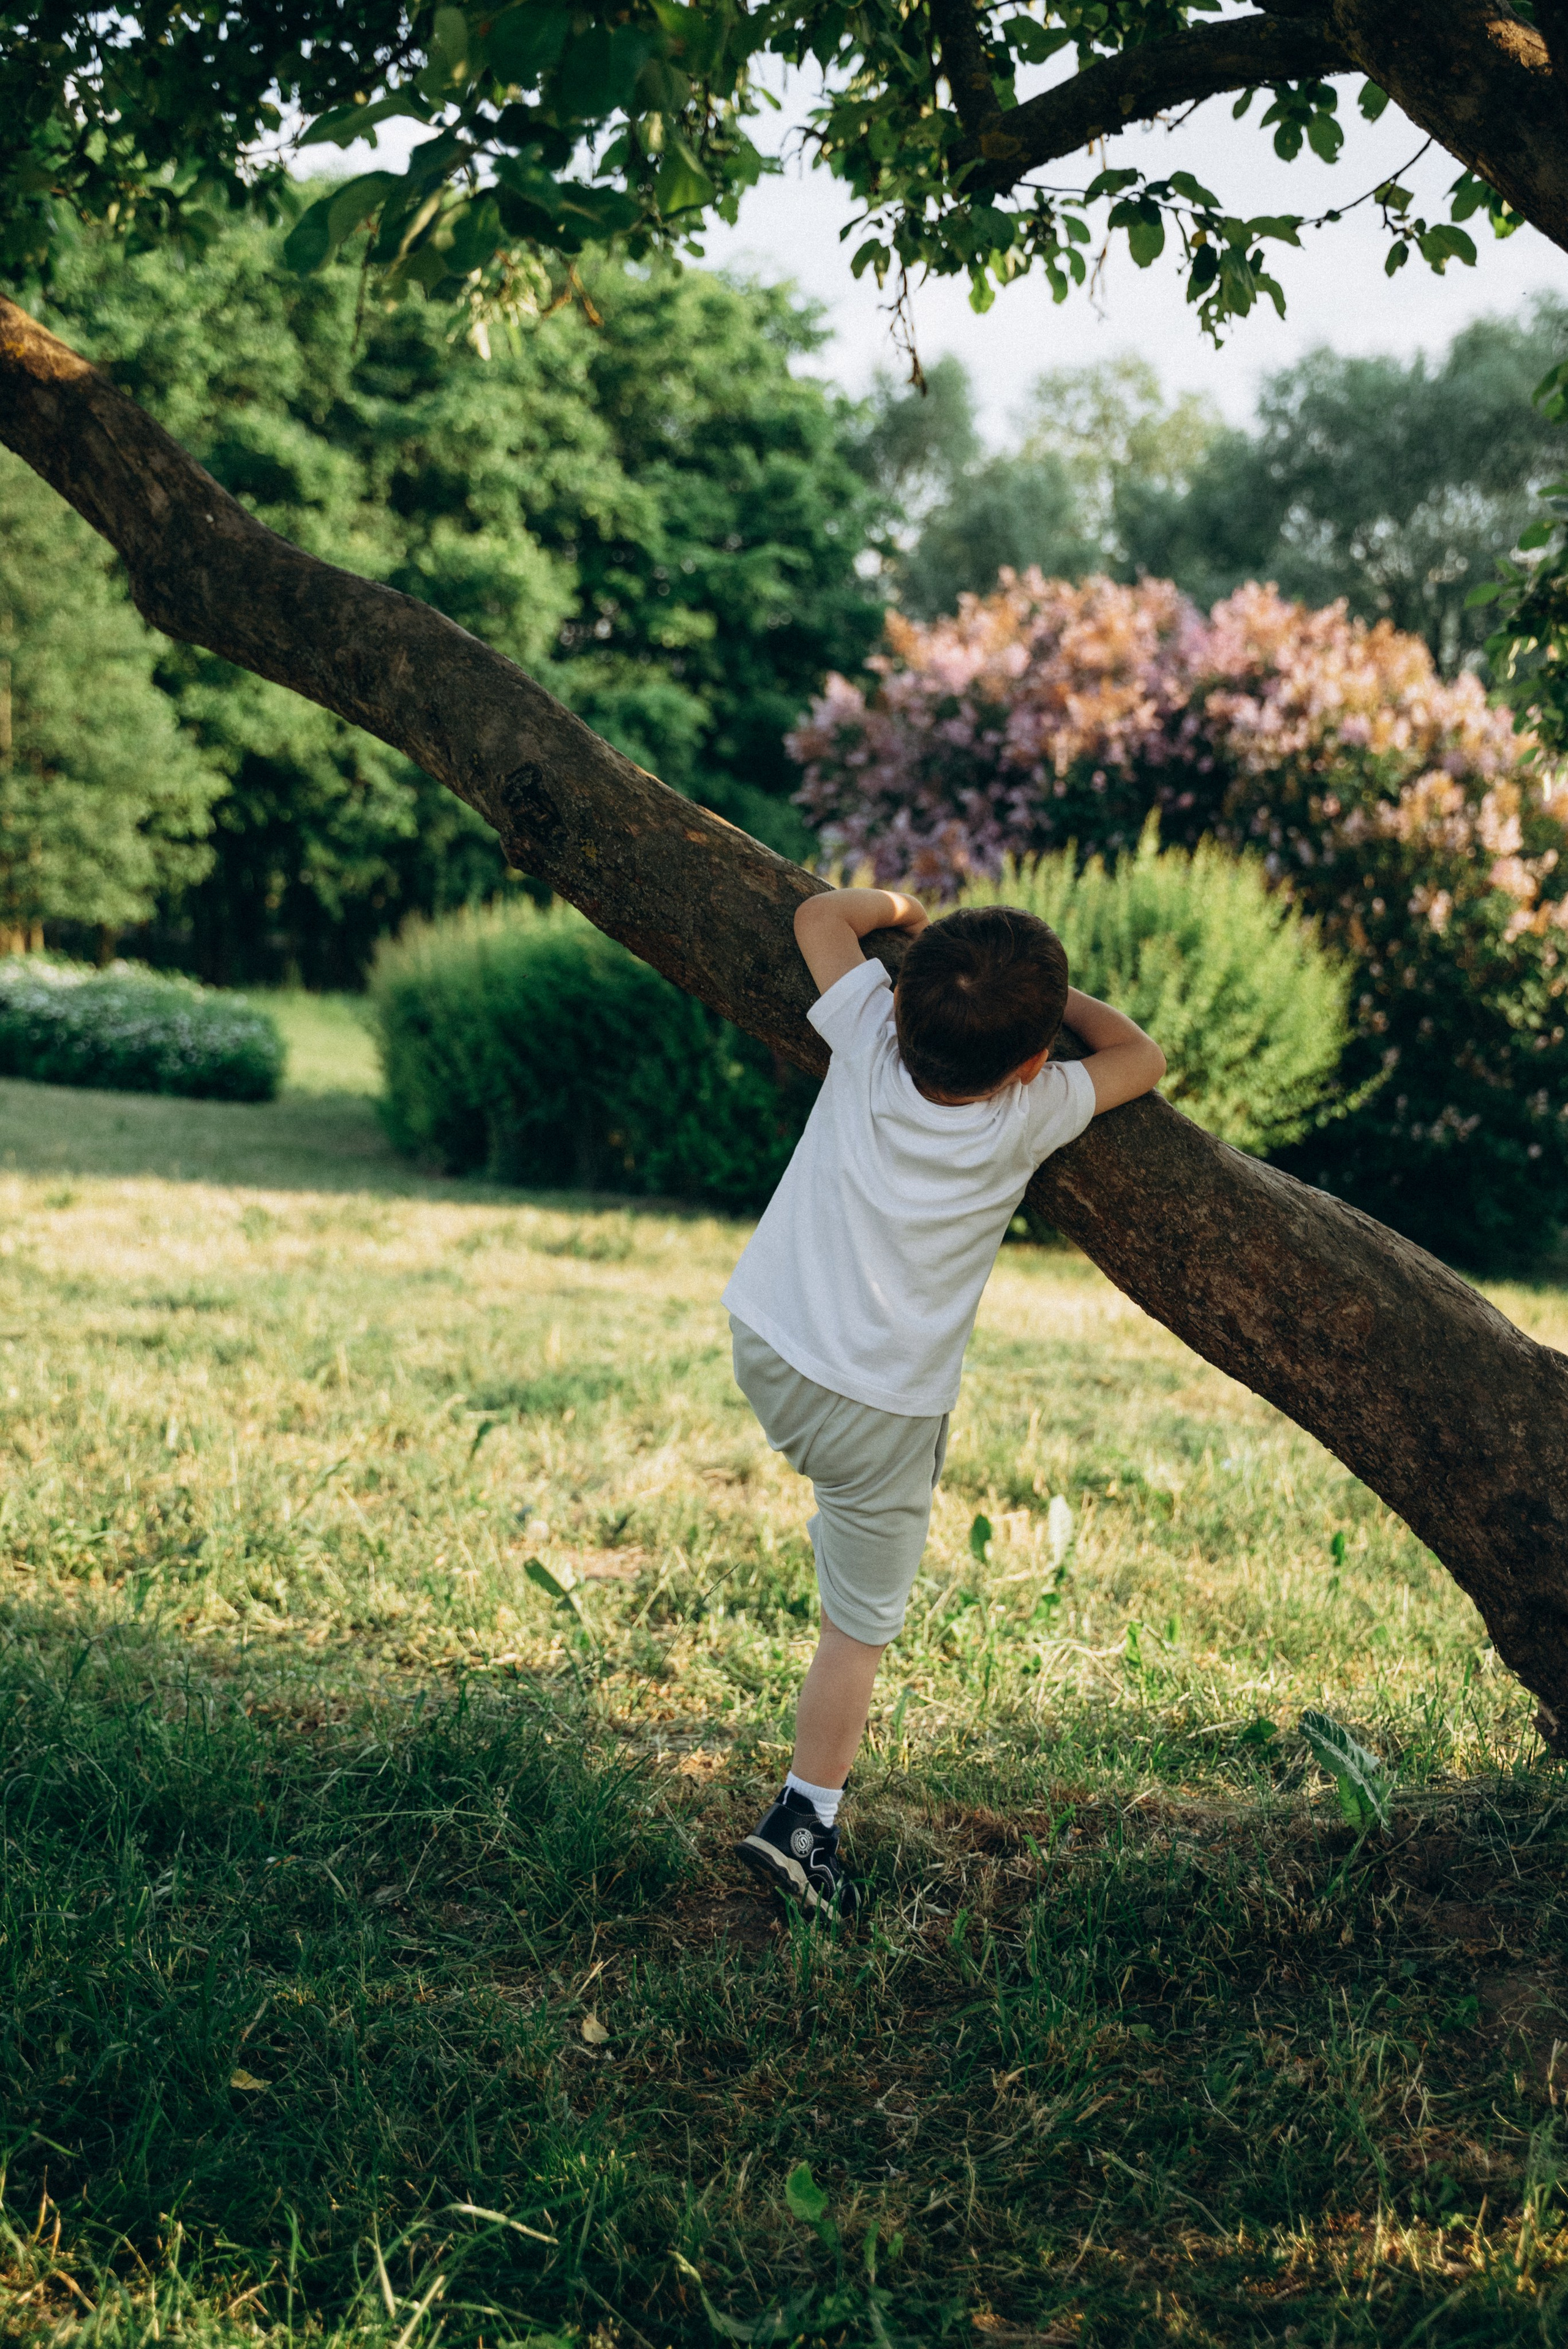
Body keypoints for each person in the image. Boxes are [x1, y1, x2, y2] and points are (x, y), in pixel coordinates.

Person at [725, 884, 1166, 1917]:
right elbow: (1142, 1057)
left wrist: (902, 907)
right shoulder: (1031, 1110)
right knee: (858, 1625)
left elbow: (817, 922)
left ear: (904, 996)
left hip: (771, 1343)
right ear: (1029, 1060)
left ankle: (830, 1505)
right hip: (881, 1407)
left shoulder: (867, 1041)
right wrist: (1052, 1007)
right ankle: (804, 1822)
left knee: (843, 1501)